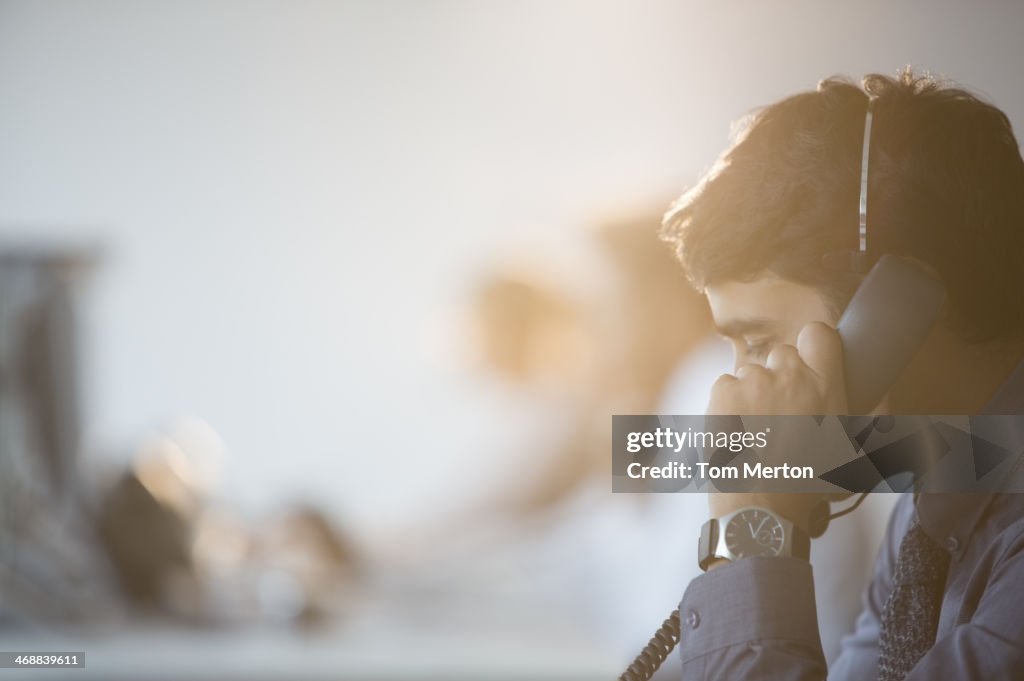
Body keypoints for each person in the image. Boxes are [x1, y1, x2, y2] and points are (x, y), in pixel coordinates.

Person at [659, 69, 1024, 679]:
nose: (739, 393)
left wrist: (755, 531)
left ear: (894, 306)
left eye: (758, 343)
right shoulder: (941, 501)